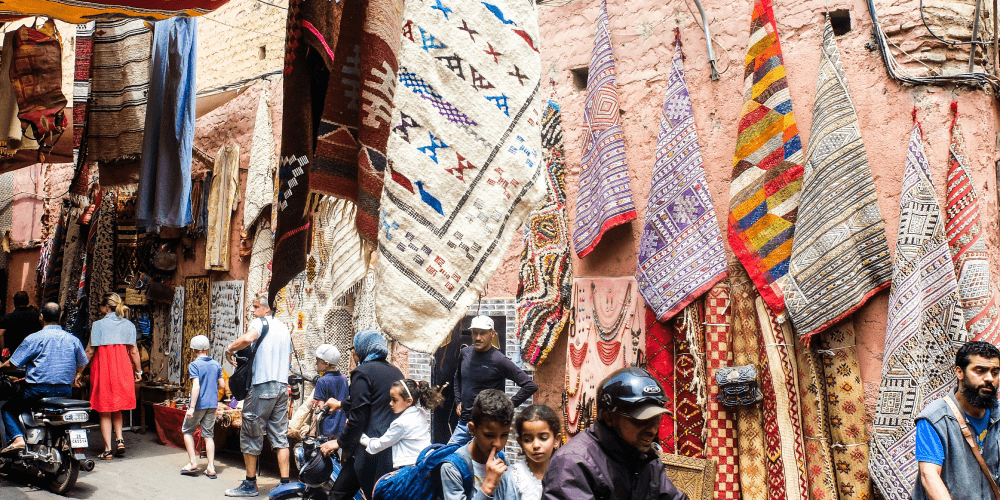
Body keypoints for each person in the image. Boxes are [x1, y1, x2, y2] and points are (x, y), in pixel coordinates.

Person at [541, 367, 687, 500]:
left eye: (656, 419)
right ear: (609, 417)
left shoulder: (645, 459)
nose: (652, 430)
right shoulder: (572, 464)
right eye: (641, 420)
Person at [320, 329, 404, 500]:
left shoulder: (362, 373)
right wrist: (341, 404)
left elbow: (359, 416)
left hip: (369, 449)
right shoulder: (395, 372)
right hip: (391, 445)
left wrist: (339, 442)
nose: (353, 354)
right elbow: (375, 399)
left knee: (339, 495)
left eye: (355, 349)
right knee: (339, 494)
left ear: (363, 349)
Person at [225, 293, 293, 497]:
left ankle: (250, 483)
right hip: (281, 387)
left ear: (266, 309)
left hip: (262, 386)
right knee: (280, 437)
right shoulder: (283, 328)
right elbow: (288, 359)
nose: (253, 311)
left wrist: (229, 349)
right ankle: (284, 483)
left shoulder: (261, 322)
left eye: (256, 307)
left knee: (250, 435)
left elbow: (247, 338)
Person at [914, 341, 1000, 500]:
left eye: (995, 372)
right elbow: (929, 476)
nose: (989, 378)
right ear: (959, 372)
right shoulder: (934, 418)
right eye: (980, 371)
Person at [0, 303, 87, 454]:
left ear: (41, 317)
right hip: (64, 391)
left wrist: (1, 367)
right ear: (60, 317)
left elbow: (13, 365)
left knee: (8, 409)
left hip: (37, 390)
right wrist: (78, 374)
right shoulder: (72, 339)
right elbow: (82, 362)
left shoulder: (34, 339)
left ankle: (18, 438)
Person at [450, 315, 537, 445]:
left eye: (483, 333)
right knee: (446, 459)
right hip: (464, 424)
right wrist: (459, 400)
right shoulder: (465, 353)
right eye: (475, 333)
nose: (478, 337)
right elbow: (457, 377)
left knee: (482, 464)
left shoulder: (499, 360)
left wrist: (506, 407)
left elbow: (530, 385)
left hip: (487, 427)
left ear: (492, 334)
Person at [86, 293, 141, 460]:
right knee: (116, 407)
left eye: (101, 306)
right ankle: (120, 439)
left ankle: (108, 449)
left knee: (104, 410)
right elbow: (134, 351)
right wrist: (138, 371)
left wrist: (79, 371)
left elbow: (89, 352)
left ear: (106, 308)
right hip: (122, 369)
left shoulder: (98, 325)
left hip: (104, 370)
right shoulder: (129, 325)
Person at [439, 389, 519, 500]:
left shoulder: (501, 458)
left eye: (504, 435)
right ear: (472, 429)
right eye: (489, 435)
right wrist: (488, 487)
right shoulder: (452, 468)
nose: (498, 444)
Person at [361, 378, 442, 469]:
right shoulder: (421, 412)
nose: (391, 403)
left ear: (409, 401)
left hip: (410, 468)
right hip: (425, 462)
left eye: (394, 400)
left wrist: (361, 437)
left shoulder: (401, 423)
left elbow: (379, 445)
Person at [180, 335, 224, 479]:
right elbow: (222, 385)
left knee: (187, 430)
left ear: (193, 350)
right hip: (212, 405)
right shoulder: (216, 364)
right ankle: (211, 467)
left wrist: (191, 407)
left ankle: (193, 462)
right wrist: (212, 390)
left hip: (199, 404)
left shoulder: (194, 365)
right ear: (207, 349)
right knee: (208, 435)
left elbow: (196, 387)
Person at [511, 405, 562, 500]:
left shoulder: (565, 473)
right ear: (520, 442)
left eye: (543, 438)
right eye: (527, 440)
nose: (536, 445)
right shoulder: (513, 477)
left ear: (556, 440)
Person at [313, 344, 349, 439]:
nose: (316, 363)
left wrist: (312, 432)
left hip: (326, 429)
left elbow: (319, 408)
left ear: (326, 363)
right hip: (341, 428)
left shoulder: (322, 381)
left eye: (318, 361)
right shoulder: (344, 379)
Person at [0, 291, 42, 355]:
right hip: (31, 355)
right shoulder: (37, 316)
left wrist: (3, 355)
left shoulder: (7, 318)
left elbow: (1, 335)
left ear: (14, 303)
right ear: (27, 302)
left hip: (13, 354)